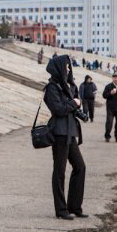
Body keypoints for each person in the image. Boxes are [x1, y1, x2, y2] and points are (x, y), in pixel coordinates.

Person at [44, 55, 87, 220]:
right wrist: (73, 104)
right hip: (60, 133)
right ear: (60, 67)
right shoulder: (51, 88)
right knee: (59, 172)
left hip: (70, 131)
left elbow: (70, 108)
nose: (69, 69)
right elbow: (58, 110)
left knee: (80, 167)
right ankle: (61, 210)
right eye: (67, 66)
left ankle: (74, 206)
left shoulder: (67, 86)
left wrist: (78, 108)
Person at [102, 73, 117, 143]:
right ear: (112, 78)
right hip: (110, 108)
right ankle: (107, 136)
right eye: (114, 78)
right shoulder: (108, 86)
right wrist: (110, 93)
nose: (115, 79)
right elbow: (104, 95)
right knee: (109, 122)